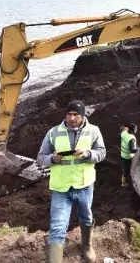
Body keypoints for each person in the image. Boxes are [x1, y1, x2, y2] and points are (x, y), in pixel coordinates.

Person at [37, 100, 106, 263]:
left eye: (76, 114)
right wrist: (52, 158)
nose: (72, 118)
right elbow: (41, 158)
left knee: (86, 218)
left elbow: (102, 153)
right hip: (61, 188)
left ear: (82, 116)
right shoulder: (53, 132)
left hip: (84, 185)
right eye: (69, 114)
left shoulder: (93, 131)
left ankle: (87, 246)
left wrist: (88, 154)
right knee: (58, 227)